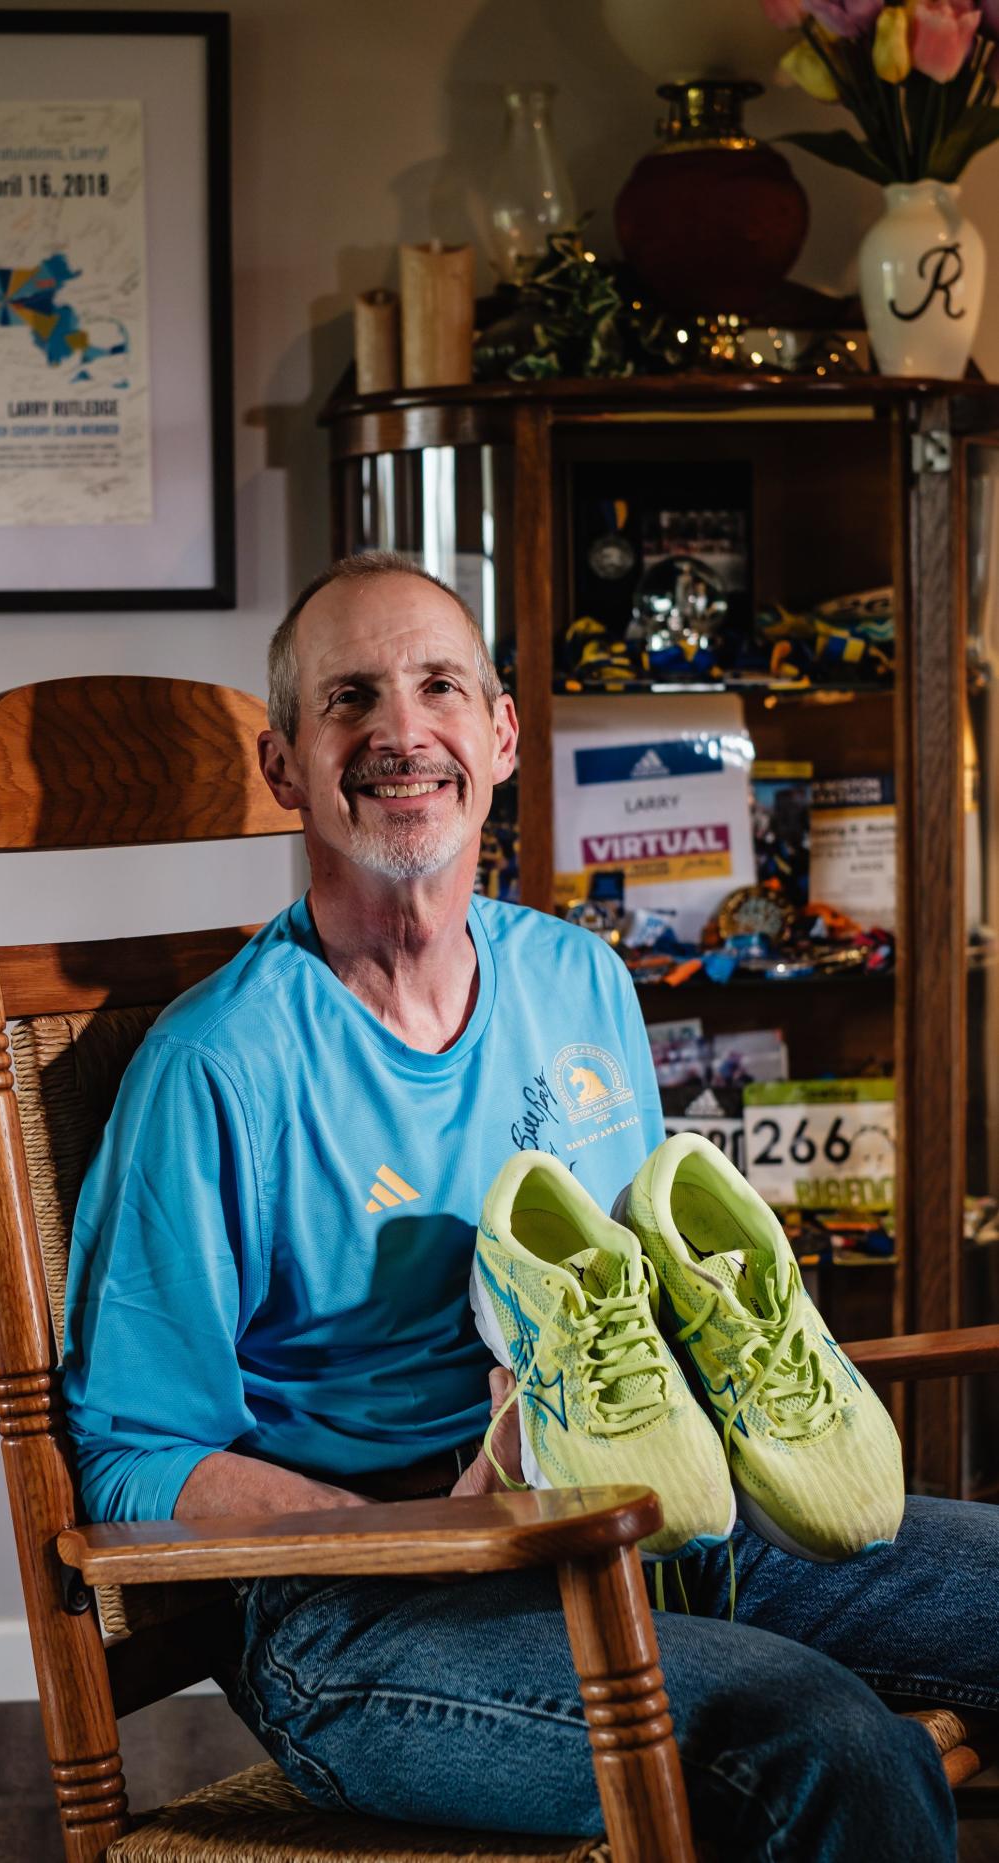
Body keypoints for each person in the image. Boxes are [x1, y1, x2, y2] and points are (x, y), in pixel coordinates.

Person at [62, 552, 995, 1861]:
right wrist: (432, 1527)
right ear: (286, 769)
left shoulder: (579, 977)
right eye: (349, 699)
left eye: (439, 685)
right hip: (370, 1613)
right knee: (818, 1738)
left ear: (498, 737)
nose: (401, 729)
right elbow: (133, 1452)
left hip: (637, 1523)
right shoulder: (218, 1067)